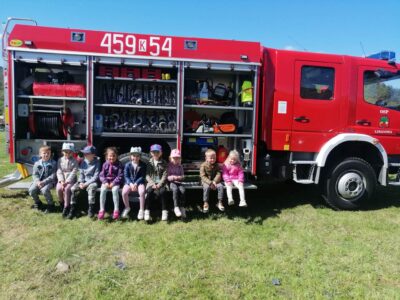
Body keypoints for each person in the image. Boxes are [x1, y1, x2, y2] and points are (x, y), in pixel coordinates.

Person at [70, 146, 101, 219]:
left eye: (87, 154)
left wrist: (86, 184)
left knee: (92, 188)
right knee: (73, 189)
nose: (85, 155)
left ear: (93, 155)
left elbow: (95, 177)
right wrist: (81, 182)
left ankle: (91, 209)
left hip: (92, 181)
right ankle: (73, 208)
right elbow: (81, 173)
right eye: (85, 154)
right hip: (83, 181)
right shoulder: (83, 162)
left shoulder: (97, 162)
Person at [28, 145, 57, 213]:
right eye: (44, 153)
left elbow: (53, 175)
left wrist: (44, 182)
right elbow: (35, 174)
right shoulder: (37, 164)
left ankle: (51, 204)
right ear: (40, 154)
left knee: (44, 190)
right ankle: (38, 202)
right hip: (39, 181)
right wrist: (38, 181)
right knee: (31, 190)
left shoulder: (53, 163)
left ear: (51, 154)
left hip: (49, 181)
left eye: (48, 153)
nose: (46, 155)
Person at [121, 147, 147, 220]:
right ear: (130, 156)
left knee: (142, 192)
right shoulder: (127, 165)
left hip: (139, 182)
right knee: (124, 192)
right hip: (129, 183)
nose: (135, 158)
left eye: (137, 156)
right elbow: (126, 176)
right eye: (133, 156)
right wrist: (130, 184)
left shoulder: (143, 165)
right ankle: (127, 207)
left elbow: (142, 176)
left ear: (140, 157)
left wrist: (136, 183)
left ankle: (141, 209)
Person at [98, 147, 123, 220]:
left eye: (113, 156)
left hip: (115, 182)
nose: (111, 157)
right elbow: (102, 175)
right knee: (103, 190)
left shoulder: (119, 164)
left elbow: (120, 175)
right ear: (106, 156)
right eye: (110, 156)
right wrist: (105, 182)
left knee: (114, 191)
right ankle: (101, 210)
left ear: (116, 156)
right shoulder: (105, 164)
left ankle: (116, 210)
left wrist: (114, 183)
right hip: (106, 182)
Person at [145, 144, 168, 221]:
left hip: (161, 183)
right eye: (154, 152)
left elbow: (165, 175)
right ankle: (147, 211)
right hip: (151, 183)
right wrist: (152, 184)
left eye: (157, 152)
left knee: (162, 192)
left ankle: (164, 211)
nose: (155, 154)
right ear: (151, 153)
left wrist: (159, 184)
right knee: (149, 191)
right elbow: (147, 175)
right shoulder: (149, 162)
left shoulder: (164, 162)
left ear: (160, 153)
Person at [56, 142, 78, 218]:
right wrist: (62, 181)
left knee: (67, 189)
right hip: (62, 179)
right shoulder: (60, 160)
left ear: (72, 152)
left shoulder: (75, 161)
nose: (67, 154)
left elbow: (74, 172)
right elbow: (59, 171)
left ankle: (66, 206)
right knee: (59, 188)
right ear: (62, 152)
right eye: (65, 152)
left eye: (70, 152)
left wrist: (67, 181)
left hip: (70, 180)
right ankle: (61, 203)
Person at [200, 148, 224, 213]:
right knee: (206, 187)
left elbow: (218, 174)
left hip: (215, 181)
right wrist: (210, 183)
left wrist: (214, 181)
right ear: (206, 158)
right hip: (206, 181)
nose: (213, 159)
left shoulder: (217, 165)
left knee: (220, 186)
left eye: (214, 158)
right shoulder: (203, 165)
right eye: (211, 158)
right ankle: (205, 202)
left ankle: (219, 202)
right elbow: (202, 176)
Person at [167, 149, 186, 218]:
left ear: (180, 159)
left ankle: (182, 207)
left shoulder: (180, 166)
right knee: (175, 190)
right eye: (174, 158)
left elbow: (183, 176)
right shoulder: (169, 166)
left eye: (177, 158)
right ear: (170, 158)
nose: (176, 160)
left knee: (183, 191)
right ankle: (176, 207)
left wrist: (180, 177)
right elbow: (167, 177)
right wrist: (173, 177)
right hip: (172, 182)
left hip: (179, 182)